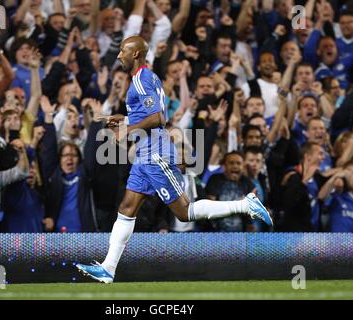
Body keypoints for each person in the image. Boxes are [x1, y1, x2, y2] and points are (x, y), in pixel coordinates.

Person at [75, 36, 273, 283]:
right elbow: (145, 114)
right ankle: (108, 268)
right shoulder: (146, 78)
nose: (118, 55)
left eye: (123, 51)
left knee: (184, 211)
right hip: (143, 156)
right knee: (126, 209)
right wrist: (121, 119)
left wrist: (127, 129)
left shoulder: (143, 79)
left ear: (136, 54)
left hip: (155, 153)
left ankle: (246, 205)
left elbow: (158, 118)